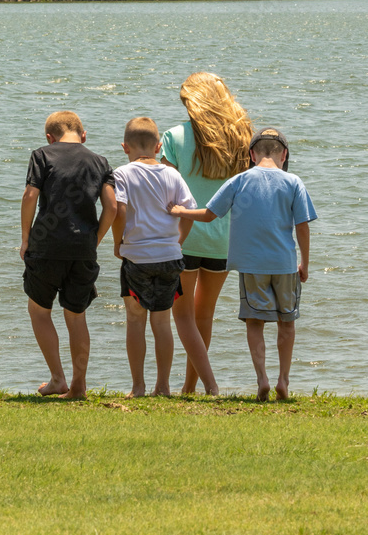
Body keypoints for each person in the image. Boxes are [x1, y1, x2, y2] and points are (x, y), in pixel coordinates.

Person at [169, 128, 316, 402]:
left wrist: (180, 211)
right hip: (284, 264)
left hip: (252, 266)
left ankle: (262, 378)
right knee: (287, 323)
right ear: (284, 154)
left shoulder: (239, 181)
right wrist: (304, 263)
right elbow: (303, 226)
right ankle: (283, 379)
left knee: (255, 322)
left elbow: (210, 214)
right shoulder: (294, 182)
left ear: (251, 154)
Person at [112, 117, 220, 398]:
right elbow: (189, 211)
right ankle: (163, 386)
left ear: (125, 147)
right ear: (159, 146)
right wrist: (178, 241)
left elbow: (119, 210)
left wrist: (117, 242)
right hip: (169, 257)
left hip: (136, 257)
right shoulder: (172, 175)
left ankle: (138, 386)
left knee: (135, 321)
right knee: (162, 323)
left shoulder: (122, 173)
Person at [161, 72, 252, 394]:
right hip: (225, 238)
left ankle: (207, 385)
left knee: (182, 315)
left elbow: (166, 192)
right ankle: (189, 387)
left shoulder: (173, 136)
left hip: (183, 237)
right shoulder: (243, 139)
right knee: (205, 315)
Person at [20, 110, 117, 399]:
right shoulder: (100, 162)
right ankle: (79, 386)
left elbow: (30, 196)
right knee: (77, 316)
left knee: (39, 311)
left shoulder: (42, 155)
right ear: (83, 135)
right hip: (83, 248)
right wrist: (95, 240)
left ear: (50, 137)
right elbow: (112, 208)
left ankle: (57, 378)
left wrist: (25, 238)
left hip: (46, 245)